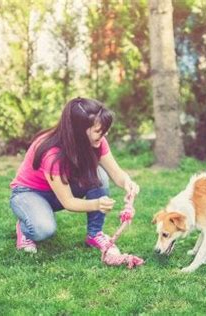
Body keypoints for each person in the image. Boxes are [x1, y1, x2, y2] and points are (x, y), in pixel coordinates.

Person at [9, 97, 140, 255]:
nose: (104, 134)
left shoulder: (97, 142)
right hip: (30, 193)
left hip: (61, 188)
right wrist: (97, 204)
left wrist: (127, 183)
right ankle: (26, 227)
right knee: (43, 229)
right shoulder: (52, 153)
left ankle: (95, 234)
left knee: (100, 174)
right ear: (78, 131)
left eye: (105, 129)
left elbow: (116, 173)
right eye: (99, 130)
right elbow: (68, 202)